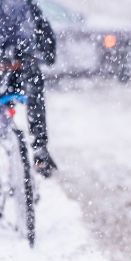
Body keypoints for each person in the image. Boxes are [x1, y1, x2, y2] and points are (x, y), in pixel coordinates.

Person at [1, 0, 58, 176]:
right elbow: (45, 37)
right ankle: (40, 149)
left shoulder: (24, 6)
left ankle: (38, 149)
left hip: (16, 66)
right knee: (34, 95)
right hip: (23, 66)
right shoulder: (26, 6)